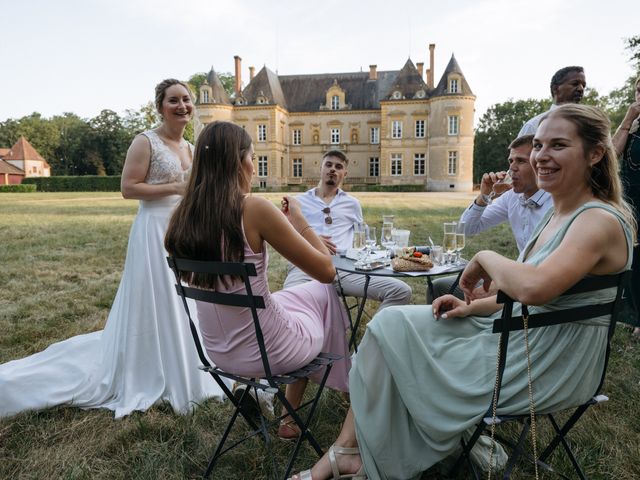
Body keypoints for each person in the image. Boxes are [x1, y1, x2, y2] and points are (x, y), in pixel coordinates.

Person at [289, 104, 635, 480]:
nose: (541, 157)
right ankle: (348, 451)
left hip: (545, 359)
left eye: (557, 145)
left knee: (396, 341)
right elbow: (536, 293)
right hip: (516, 332)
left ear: (596, 153)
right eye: (538, 145)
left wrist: (486, 257)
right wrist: (473, 308)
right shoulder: (559, 215)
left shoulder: (598, 220)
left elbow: (534, 288)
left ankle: (353, 456)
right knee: (388, 323)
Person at [0, 79, 226, 419]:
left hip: (181, 231)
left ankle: (184, 358)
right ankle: (147, 367)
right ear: (160, 106)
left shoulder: (192, 148)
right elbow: (128, 188)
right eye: (174, 100)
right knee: (156, 295)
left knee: (184, 298)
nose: (182, 106)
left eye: (187, 100)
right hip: (152, 230)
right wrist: (175, 186)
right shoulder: (145, 141)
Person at [164, 121, 351, 441]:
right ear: (238, 162)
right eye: (252, 157)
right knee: (327, 291)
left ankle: (285, 410)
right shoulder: (253, 208)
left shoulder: (183, 215)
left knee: (295, 295)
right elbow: (327, 270)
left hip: (218, 352)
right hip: (271, 350)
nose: (254, 166)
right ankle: (345, 397)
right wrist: (302, 224)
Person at [283, 150, 412, 310]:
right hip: (306, 266)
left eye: (338, 167)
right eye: (328, 165)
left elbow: (362, 237)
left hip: (343, 270)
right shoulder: (299, 202)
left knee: (400, 291)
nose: (333, 169)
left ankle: (374, 334)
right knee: (287, 302)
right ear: (320, 169)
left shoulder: (352, 204)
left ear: (344, 173)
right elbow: (286, 237)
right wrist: (312, 239)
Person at [429, 135, 553, 301]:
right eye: (511, 161)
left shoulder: (557, 202)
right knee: (439, 286)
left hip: (531, 289)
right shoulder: (512, 197)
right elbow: (466, 228)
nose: (512, 169)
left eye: (521, 161)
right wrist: (484, 195)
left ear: (539, 164)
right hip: (512, 279)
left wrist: (498, 285)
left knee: (456, 291)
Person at [612, 76, 640, 335]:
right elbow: (610, 156)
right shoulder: (631, 126)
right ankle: (636, 317)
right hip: (631, 203)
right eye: (638, 91)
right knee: (634, 260)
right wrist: (628, 119)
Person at [518, 66, 586, 137]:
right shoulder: (533, 126)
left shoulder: (587, 124)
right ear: (555, 89)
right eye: (575, 84)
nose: (581, 89)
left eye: (583, 86)